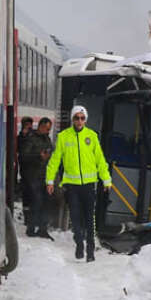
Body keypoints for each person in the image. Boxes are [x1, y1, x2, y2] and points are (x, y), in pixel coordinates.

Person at [46, 105, 111, 262]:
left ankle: (90, 249)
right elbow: (55, 160)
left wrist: (106, 179)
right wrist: (50, 180)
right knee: (75, 218)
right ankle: (79, 243)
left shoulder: (92, 136)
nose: (79, 121)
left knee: (89, 218)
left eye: (82, 118)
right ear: (72, 119)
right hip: (72, 186)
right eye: (76, 118)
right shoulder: (64, 137)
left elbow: (100, 160)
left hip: (89, 185)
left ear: (85, 119)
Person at [18, 117, 54, 239]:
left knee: (46, 201)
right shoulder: (31, 138)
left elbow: (51, 151)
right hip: (32, 175)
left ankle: (43, 229)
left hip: (44, 174)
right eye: (47, 128)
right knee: (36, 201)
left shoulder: (47, 139)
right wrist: (38, 157)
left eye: (50, 129)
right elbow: (24, 156)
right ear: (41, 126)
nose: (48, 131)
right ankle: (31, 228)